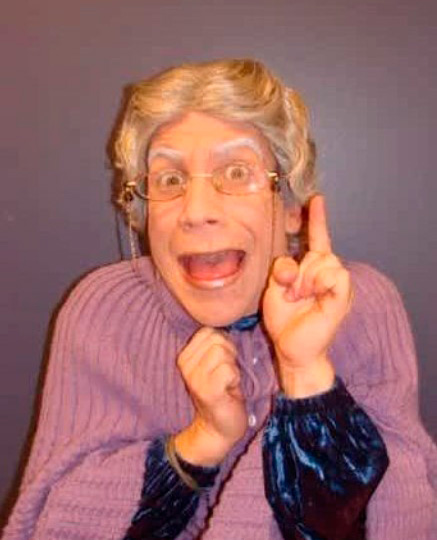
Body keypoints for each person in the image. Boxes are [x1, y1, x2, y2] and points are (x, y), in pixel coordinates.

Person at [3, 58, 436, 540]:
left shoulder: (361, 304)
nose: (197, 211)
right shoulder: (104, 310)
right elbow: (54, 524)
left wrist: (306, 376)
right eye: (169, 180)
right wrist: (200, 442)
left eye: (235, 172)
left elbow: (397, 518)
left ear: (290, 207)